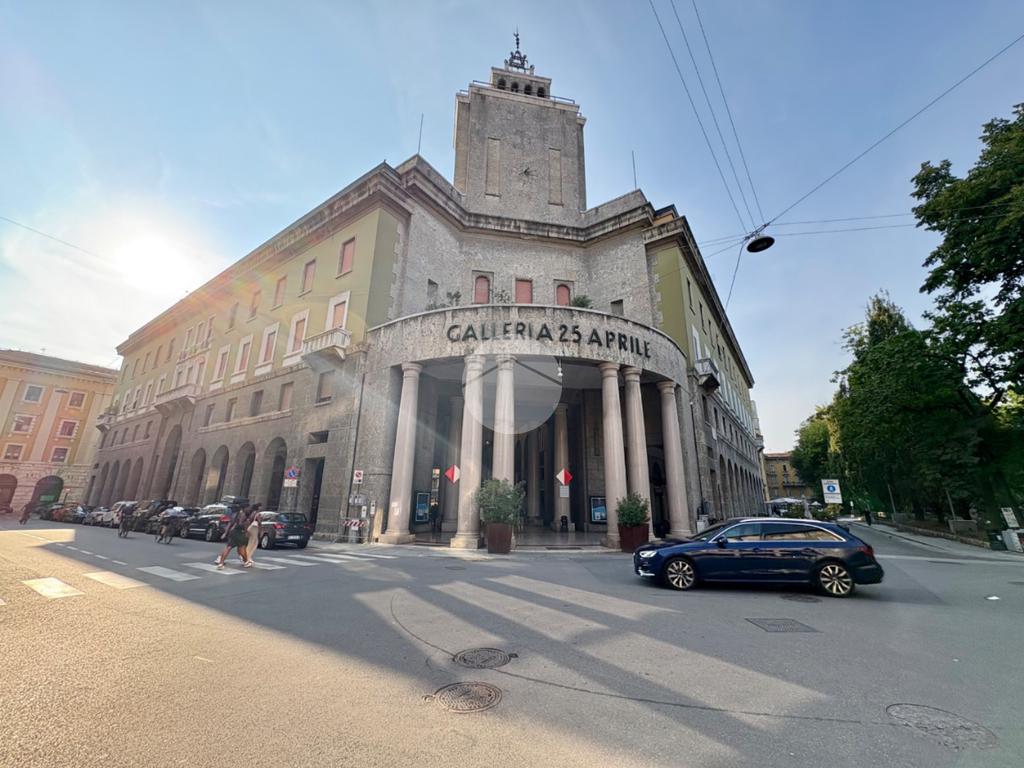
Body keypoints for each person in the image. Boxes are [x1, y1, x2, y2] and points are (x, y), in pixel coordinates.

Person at [216, 505, 252, 569]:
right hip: (240, 533)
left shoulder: (236, 515)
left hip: (233, 532)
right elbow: (246, 529)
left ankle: (221, 563)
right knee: (242, 549)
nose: (249, 509)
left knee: (228, 548)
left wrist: (226, 533)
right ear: (245, 508)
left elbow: (231, 525)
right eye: (248, 507)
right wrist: (247, 534)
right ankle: (246, 562)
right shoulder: (246, 518)